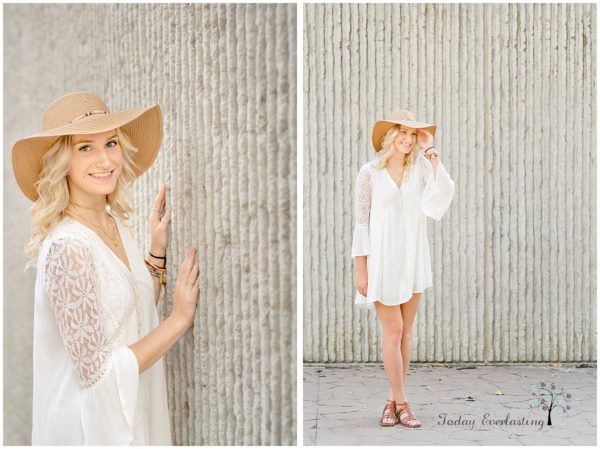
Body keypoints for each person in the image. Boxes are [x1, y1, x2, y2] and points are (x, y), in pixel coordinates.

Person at [11, 91, 200, 444]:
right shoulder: (67, 248)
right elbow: (98, 376)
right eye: (85, 147)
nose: (105, 159)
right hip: (87, 433)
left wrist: (155, 256)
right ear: (61, 162)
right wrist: (179, 319)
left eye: (110, 142)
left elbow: (123, 317)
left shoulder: (113, 223)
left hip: (132, 416)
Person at [351, 111, 455, 428]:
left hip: (412, 260)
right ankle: (403, 404)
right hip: (383, 262)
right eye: (403, 133)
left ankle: (392, 401)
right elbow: (361, 223)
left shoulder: (420, 168)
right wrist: (361, 269)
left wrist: (431, 149)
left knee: (406, 334)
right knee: (393, 332)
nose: (408, 139)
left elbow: (441, 195)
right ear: (390, 136)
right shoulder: (369, 173)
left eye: (414, 134)